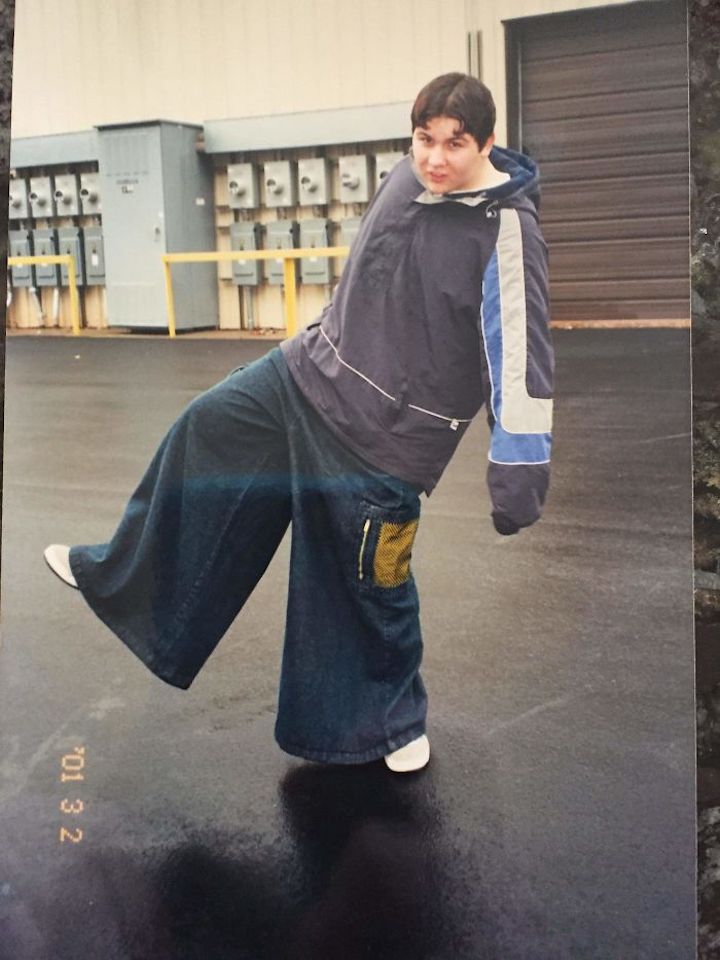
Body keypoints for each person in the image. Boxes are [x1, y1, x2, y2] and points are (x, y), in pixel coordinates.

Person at [44, 73, 554, 774]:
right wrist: (322, 331)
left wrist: (518, 475)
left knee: (367, 579)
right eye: (424, 139)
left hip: (387, 436)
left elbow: (519, 358)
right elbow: (365, 277)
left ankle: (393, 722)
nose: (435, 158)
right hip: (305, 374)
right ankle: (120, 579)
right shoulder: (405, 178)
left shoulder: (508, 233)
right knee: (206, 429)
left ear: (487, 143)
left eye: (454, 145)